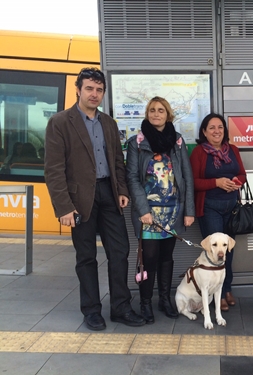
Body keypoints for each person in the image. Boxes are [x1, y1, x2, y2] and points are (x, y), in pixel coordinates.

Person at [44, 67, 145, 331]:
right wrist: (64, 207)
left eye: (99, 90)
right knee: (86, 257)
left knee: (120, 251)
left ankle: (121, 307)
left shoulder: (108, 123)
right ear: (78, 89)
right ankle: (91, 311)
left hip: (109, 195)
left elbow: (117, 162)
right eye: (89, 88)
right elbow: (53, 170)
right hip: (79, 199)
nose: (94, 94)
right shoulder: (60, 122)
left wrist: (122, 190)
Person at [126, 96, 195, 323]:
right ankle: (145, 303)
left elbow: (186, 176)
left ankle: (164, 299)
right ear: (147, 114)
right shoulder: (136, 142)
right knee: (150, 257)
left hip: (173, 210)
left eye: (161, 110)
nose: (156, 114)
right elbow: (133, 179)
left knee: (167, 256)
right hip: (148, 213)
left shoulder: (177, 141)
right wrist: (143, 210)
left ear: (168, 115)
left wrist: (189, 210)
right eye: (152, 110)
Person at [190, 113, 246, 312]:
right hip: (209, 207)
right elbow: (193, 182)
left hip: (231, 207)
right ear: (204, 132)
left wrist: (234, 183)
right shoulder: (198, 152)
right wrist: (217, 182)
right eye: (211, 128)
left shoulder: (233, 150)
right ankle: (216, 295)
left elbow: (242, 175)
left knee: (227, 251)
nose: (216, 131)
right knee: (215, 252)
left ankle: (227, 288)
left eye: (220, 127)